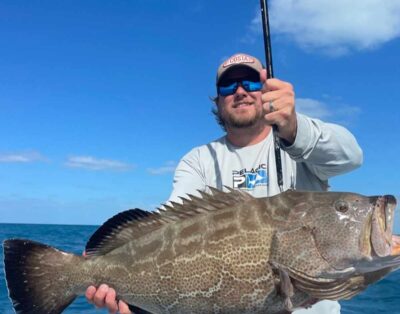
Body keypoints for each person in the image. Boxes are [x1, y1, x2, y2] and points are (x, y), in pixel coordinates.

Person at [85, 53, 363, 313]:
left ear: (267, 91)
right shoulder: (199, 160)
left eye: (251, 82)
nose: (240, 91)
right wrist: (113, 277)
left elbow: (350, 157)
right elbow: (168, 228)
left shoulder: (300, 145)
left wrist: (292, 127)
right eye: (228, 86)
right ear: (217, 101)